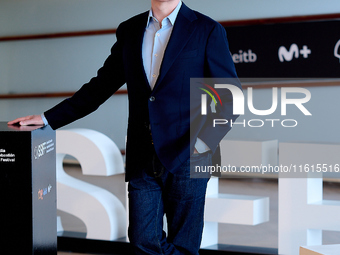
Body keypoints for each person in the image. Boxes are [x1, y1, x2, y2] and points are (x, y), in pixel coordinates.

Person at [9, 0, 241, 254]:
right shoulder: (129, 30)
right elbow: (101, 86)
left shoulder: (207, 29)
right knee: (142, 239)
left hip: (189, 156)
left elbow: (229, 99)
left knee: (185, 243)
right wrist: (47, 118)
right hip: (142, 154)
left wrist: (200, 145)